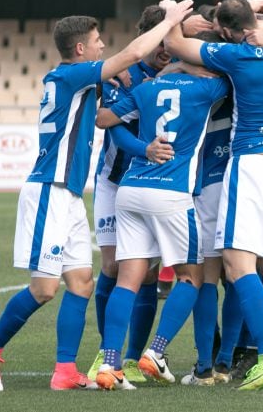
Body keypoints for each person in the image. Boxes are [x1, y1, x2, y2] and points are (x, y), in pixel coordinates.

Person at [0, 0, 193, 392]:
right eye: (96, 41)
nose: (103, 45)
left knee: (82, 283)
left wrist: (119, 78)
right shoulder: (73, 75)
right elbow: (134, 53)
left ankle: (65, 370)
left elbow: (119, 71)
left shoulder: (74, 78)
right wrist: (172, 21)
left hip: (71, 196)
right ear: (80, 50)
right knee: (45, 289)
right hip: (48, 192)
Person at [164, 0, 263, 390]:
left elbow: (175, 46)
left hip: (249, 166)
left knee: (236, 266)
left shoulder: (235, 54)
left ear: (230, 31)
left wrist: (173, 16)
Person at [93, 55, 230, 390]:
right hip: (171, 193)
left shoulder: (147, 87)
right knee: (191, 276)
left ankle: (110, 363)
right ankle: (155, 352)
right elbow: (235, 75)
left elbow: (103, 118)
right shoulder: (210, 85)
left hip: (130, 188)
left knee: (128, 280)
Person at [88, 4, 177, 385]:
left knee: (148, 274)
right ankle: (103, 353)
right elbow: (112, 129)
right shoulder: (121, 74)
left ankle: (130, 358)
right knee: (112, 266)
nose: (165, 50)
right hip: (116, 180)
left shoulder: (180, 71)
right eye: (159, 43)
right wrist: (146, 151)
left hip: (158, 184)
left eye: (169, 42)